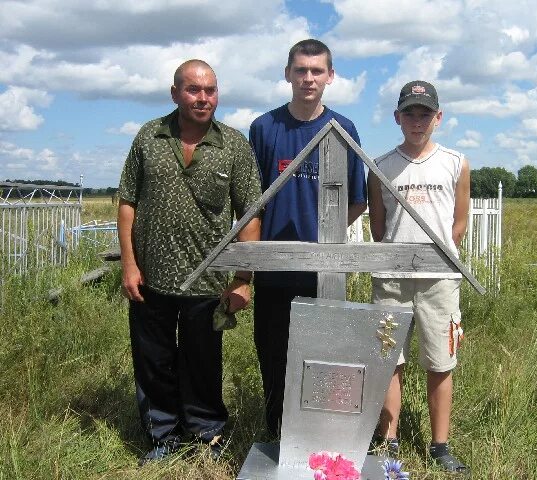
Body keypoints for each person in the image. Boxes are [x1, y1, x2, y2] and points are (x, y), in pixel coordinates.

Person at [117, 59, 262, 465]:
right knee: (154, 360)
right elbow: (127, 202)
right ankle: (162, 434)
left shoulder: (233, 145)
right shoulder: (149, 137)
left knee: (203, 361)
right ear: (175, 92)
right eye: (193, 89)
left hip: (208, 282)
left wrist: (243, 278)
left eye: (210, 90)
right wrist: (129, 265)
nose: (203, 98)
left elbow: (250, 215)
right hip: (151, 278)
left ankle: (206, 433)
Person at [249, 39, 367, 437]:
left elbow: (357, 201)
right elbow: (252, 202)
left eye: (317, 71)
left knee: (325, 355)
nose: (308, 78)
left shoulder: (343, 129)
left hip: (324, 272)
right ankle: (278, 435)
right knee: (274, 354)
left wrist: (324, 239)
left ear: (330, 76)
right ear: (288, 74)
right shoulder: (265, 129)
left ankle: (319, 436)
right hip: (275, 269)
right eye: (301, 70)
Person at [367, 81, 470, 473]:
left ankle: (440, 444)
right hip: (391, 279)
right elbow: (379, 226)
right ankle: (388, 440)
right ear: (397, 118)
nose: (416, 120)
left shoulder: (456, 163)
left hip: (440, 279)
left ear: (438, 117)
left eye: (424, 113)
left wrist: (434, 256)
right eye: (409, 113)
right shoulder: (380, 166)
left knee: (440, 361)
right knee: (388, 359)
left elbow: (457, 225)